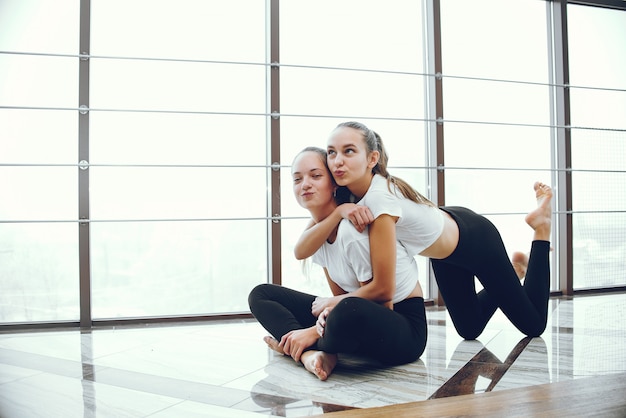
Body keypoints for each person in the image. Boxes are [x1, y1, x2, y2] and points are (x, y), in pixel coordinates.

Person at [295, 121, 553, 340]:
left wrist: (335, 302)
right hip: (443, 253)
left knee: (533, 326)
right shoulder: (348, 196)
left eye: (348, 151)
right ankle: (515, 271)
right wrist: (338, 212)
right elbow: (304, 246)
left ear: (372, 158)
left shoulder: (379, 200)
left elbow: (384, 287)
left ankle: (541, 228)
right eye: (331, 152)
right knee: (469, 330)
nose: (337, 161)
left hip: (475, 241)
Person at [248, 147, 428, 381]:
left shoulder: (352, 230)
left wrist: (314, 329)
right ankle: (309, 354)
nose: (305, 184)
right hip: (356, 320)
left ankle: (301, 345)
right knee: (261, 294)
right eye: (297, 179)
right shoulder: (319, 235)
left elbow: (381, 303)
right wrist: (326, 320)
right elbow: (340, 295)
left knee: (345, 311)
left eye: (315, 176)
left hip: (401, 330)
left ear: (334, 184)